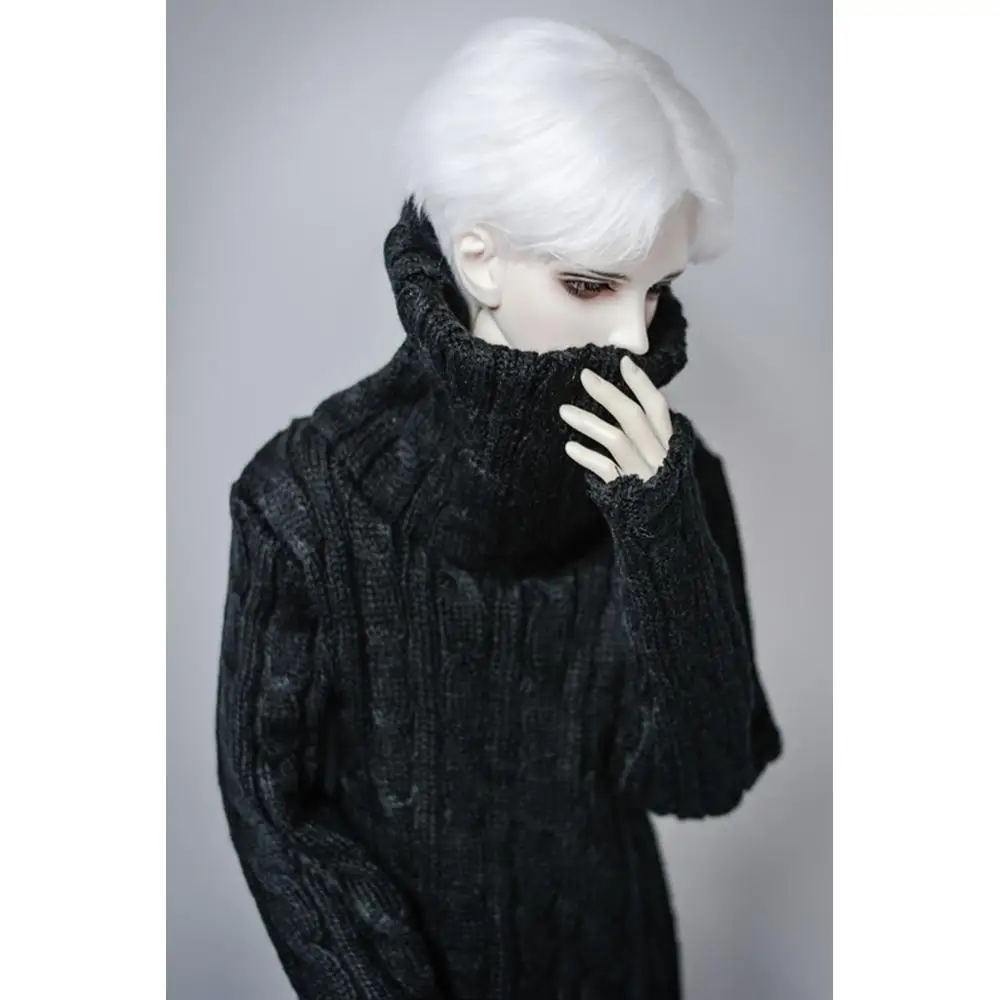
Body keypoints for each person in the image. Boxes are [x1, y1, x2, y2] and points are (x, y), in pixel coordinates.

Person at [215, 16, 783, 1000]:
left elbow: (701, 781)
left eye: (657, 292)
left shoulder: (669, 486)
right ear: (478, 259)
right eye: (591, 284)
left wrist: (659, 530)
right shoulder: (301, 500)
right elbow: (276, 813)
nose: (631, 337)